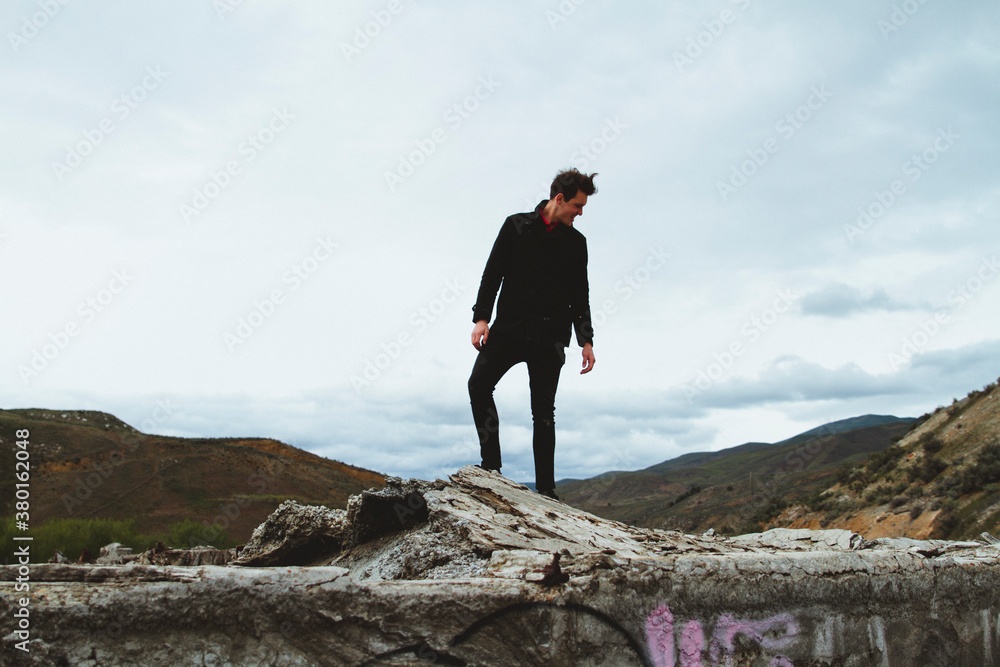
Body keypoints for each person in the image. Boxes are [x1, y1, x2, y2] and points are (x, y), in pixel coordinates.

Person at [468, 168, 597, 500]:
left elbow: (579, 294)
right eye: (578, 206)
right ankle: (491, 467)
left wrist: (586, 339)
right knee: (479, 384)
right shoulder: (516, 226)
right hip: (509, 329)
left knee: (543, 412)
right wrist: (481, 318)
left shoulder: (576, 243)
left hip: (550, 338)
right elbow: (492, 273)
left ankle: (546, 489)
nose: (580, 213)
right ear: (559, 199)